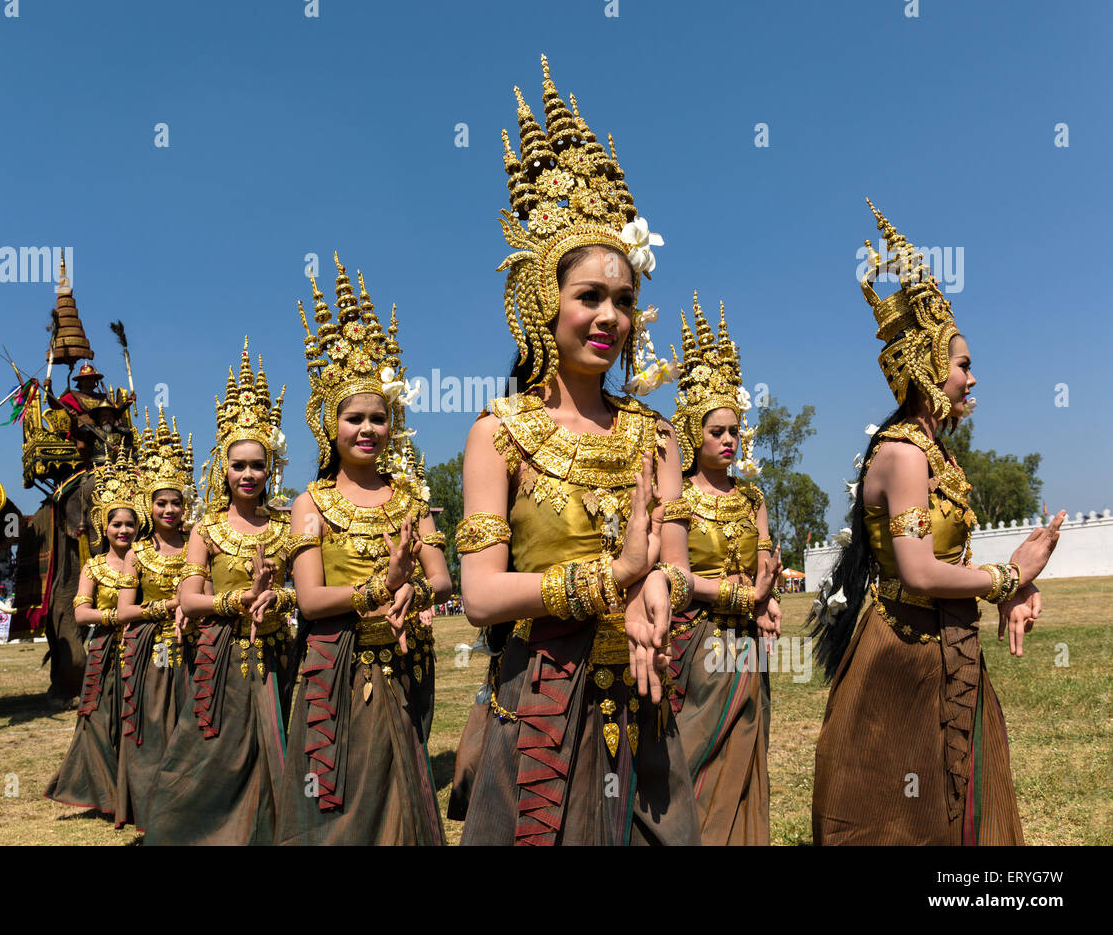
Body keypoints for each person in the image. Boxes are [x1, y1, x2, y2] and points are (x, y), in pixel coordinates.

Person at [455, 56, 699, 846]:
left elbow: (670, 559)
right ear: (542, 303)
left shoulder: (655, 435)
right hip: (539, 699)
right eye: (588, 296)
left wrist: (655, 590)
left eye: (624, 300)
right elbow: (482, 597)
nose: (609, 317)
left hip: (643, 693)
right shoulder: (499, 433)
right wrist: (610, 580)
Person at [810, 201, 1065, 845]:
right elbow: (921, 572)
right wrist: (1010, 575)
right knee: (897, 815)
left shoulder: (938, 453)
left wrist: (1018, 590)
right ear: (927, 363)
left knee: (962, 807)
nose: (973, 378)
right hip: (901, 654)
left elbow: (947, 563)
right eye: (963, 365)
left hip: (950, 646)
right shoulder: (900, 453)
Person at [277, 255, 450, 846]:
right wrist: (382, 585)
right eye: (355, 417)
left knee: (400, 789)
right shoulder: (312, 503)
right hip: (335, 664)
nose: (368, 429)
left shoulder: (410, 497)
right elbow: (310, 599)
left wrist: (413, 587)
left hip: (402, 661)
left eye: (380, 416)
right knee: (340, 794)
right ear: (330, 423)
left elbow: (444, 581)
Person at [143, 341, 298, 845]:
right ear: (223, 469)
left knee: (280, 743)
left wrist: (280, 597)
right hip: (223, 654)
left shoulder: (288, 522)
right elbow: (189, 599)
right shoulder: (206, 529)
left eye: (257, 464)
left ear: (270, 466)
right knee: (216, 749)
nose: (248, 475)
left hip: (279, 650)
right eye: (239, 466)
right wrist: (237, 600)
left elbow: (307, 587)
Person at [663, 294, 781, 845]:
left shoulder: (751, 496)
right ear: (692, 433)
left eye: (735, 430)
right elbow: (676, 577)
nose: (729, 440)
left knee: (744, 758)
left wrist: (770, 600)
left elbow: (765, 567)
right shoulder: (679, 496)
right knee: (693, 760)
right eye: (717, 432)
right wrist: (742, 599)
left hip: (748, 649)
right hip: (697, 651)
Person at [44, 449, 140, 817]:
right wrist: (116, 616)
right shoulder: (94, 564)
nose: (123, 531)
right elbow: (81, 613)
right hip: (104, 649)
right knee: (99, 719)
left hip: (139, 649)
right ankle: (102, 791)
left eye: (130, 525)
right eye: (116, 525)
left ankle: (131, 789)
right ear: (104, 527)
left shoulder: (144, 558)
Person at [113, 408, 195, 831]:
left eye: (175, 502)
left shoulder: (199, 547)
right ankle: (154, 806)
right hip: (157, 650)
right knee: (159, 725)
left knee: (194, 726)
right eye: (161, 502)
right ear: (150, 506)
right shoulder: (137, 553)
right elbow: (124, 610)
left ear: (186, 505)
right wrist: (161, 608)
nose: (168, 509)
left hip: (200, 647)